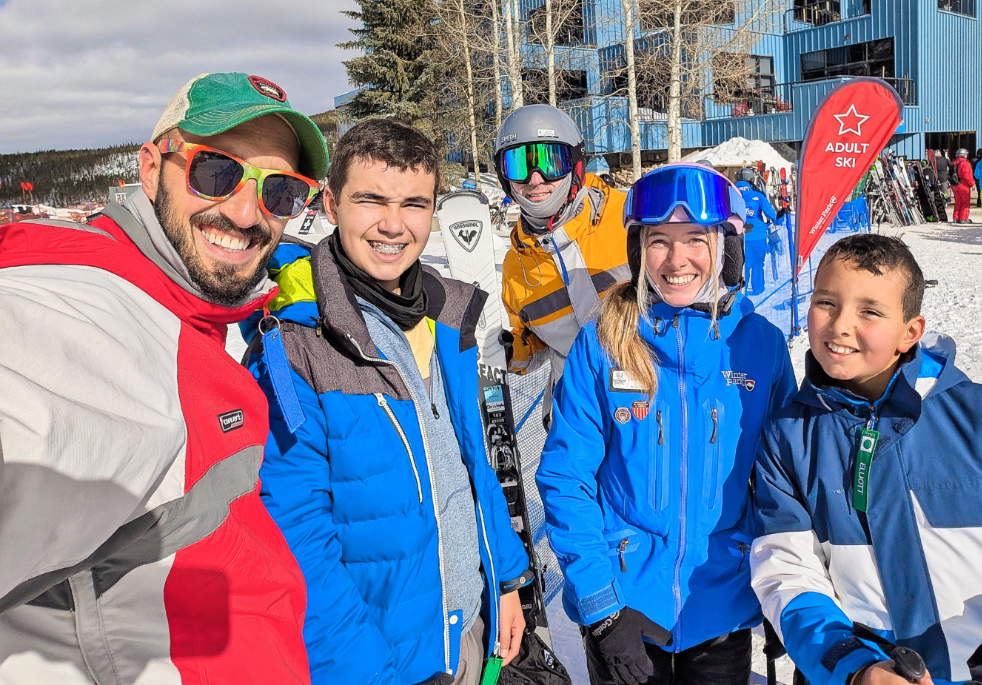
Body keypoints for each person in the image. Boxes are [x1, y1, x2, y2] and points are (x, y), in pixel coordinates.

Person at [0, 72, 327, 683]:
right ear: (152, 169)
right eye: (216, 172)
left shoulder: (196, 306)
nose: (245, 210)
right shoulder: (95, 311)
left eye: (281, 191)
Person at [244, 119, 531, 685]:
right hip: (382, 658)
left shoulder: (447, 319)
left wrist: (504, 581)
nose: (393, 225)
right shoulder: (297, 343)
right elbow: (297, 539)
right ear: (331, 203)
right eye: (370, 200)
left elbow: (471, 466)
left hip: (467, 631)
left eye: (413, 204)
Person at [749, 234, 982, 685]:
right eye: (826, 302)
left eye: (870, 311)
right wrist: (852, 667)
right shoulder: (788, 436)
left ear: (910, 332)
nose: (840, 325)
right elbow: (787, 573)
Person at [537, 162, 796, 685]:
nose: (677, 260)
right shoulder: (603, 341)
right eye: (659, 240)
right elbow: (567, 478)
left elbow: (781, 483)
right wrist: (602, 607)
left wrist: (779, 588)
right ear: (639, 249)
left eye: (695, 239)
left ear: (724, 246)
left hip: (720, 605)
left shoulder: (760, 345)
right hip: (624, 605)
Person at [496, 105, 629, 420]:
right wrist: (509, 350)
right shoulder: (517, 267)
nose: (535, 179)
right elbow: (537, 344)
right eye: (519, 165)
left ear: (575, 163)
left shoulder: (628, 220)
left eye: (550, 161)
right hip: (572, 422)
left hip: (646, 414)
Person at [735, 165, 780, 296]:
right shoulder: (758, 195)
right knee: (758, 264)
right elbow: (772, 214)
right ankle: (758, 289)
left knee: (743, 264)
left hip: (739, 236)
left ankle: (742, 290)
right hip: (758, 236)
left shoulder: (730, 194)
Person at [949, 148, 975, 223]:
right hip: (963, 184)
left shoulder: (953, 163)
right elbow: (967, 175)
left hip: (954, 185)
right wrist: (972, 184)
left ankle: (956, 218)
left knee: (958, 202)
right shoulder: (965, 163)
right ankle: (963, 218)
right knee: (965, 202)